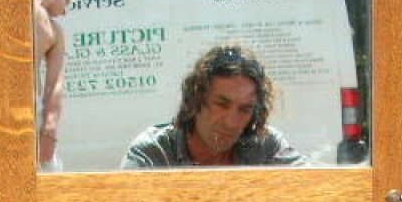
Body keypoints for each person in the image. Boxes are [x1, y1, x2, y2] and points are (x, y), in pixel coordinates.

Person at [120, 45, 306, 169]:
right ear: (195, 99)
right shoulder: (154, 153)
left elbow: (315, 190)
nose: (231, 122)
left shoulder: (266, 146)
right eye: (221, 104)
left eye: (245, 109)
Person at [34, 0, 71, 170]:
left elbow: (55, 83)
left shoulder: (55, 31)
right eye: (67, 1)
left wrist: (49, 131)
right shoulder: (14, 8)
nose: (65, 12)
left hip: (31, 114)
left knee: (48, 172)